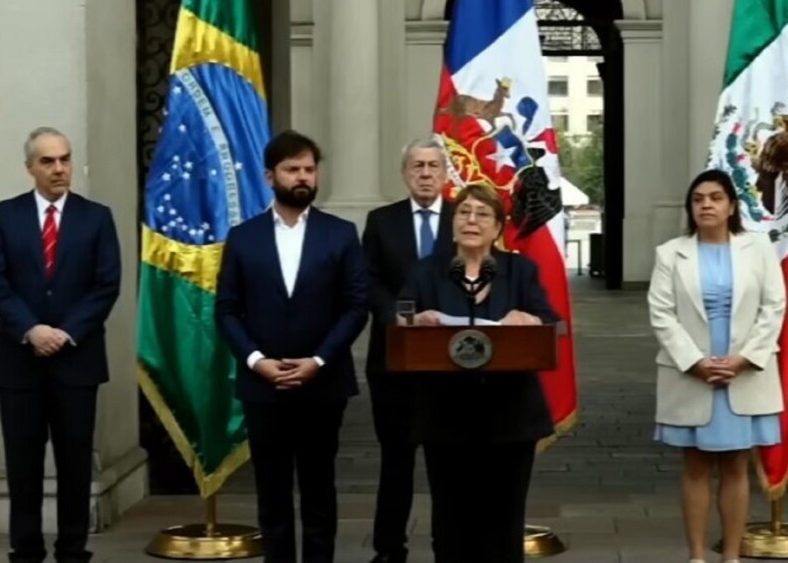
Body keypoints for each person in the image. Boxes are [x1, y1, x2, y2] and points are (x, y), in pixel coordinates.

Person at [215, 130, 369, 563]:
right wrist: (257, 361)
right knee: (272, 491)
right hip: (263, 386)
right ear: (270, 176)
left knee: (320, 489)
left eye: (309, 169)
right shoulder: (244, 237)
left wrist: (319, 360)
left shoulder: (339, 234)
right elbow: (227, 309)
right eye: (292, 169)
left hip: (324, 383)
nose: (302, 177)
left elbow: (356, 306)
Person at [0, 127, 122, 563]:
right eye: (48, 161)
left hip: (76, 359)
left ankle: (72, 548)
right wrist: (32, 330)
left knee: (75, 463)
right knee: (22, 464)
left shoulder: (97, 217)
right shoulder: (2, 216)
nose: (59, 168)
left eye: (65, 159)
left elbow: (106, 284)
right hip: (19, 360)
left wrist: (65, 332)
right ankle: (25, 550)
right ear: (30, 168)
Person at [398, 183, 558, 563]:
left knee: (503, 523)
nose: (471, 220)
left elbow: (550, 320)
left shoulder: (520, 270)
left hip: (510, 417)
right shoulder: (426, 272)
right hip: (446, 417)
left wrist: (529, 317)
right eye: (464, 213)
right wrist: (413, 319)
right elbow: (399, 316)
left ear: (498, 227)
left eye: (482, 214)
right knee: (451, 524)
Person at [648, 169, 787, 563]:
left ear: (731, 206)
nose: (706, 205)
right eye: (698, 199)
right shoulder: (670, 253)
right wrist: (695, 363)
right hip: (691, 373)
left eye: (715, 197)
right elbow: (662, 314)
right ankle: (696, 555)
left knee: (736, 464)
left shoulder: (758, 249)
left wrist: (745, 359)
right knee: (695, 465)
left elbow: (774, 307)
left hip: (744, 371)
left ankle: (731, 556)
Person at [361, 138, 454, 563]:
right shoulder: (382, 221)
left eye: (433, 165)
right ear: (405, 173)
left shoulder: (464, 217)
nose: (425, 173)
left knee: (447, 465)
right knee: (395, 462)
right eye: (416, 165)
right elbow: (370, 280)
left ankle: (447, 547)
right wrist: (399, 315)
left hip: (451, 362)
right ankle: (388, 549)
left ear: (446, 172)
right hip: (394, 360)